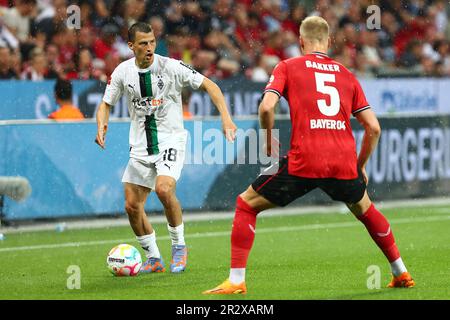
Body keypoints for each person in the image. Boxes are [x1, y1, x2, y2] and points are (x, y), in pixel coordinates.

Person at [204, 16, 414, 294]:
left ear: (301, 42)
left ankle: (236, 280)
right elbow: (373, 127)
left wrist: (268, 141)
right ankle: (400, 271)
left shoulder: (288, 66)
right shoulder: (346, 74)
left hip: (304, 159)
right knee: (365, 209)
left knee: (246, 204)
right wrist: (359, 165)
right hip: (341, 161)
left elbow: (266, 108)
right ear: (328, 42)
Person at [95, 22, 237, 274]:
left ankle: (179, 247)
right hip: (140, 146)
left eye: (152, 42)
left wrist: (226, 118)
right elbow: (106, 104)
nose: (149, 47)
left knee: (163, 189)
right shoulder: (122, 72)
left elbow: (210, 86)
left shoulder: (171, 67)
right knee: (131, 206)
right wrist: (101, 126)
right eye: (143, 43)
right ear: (131, 46)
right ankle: (153, 258)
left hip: (170, 140)